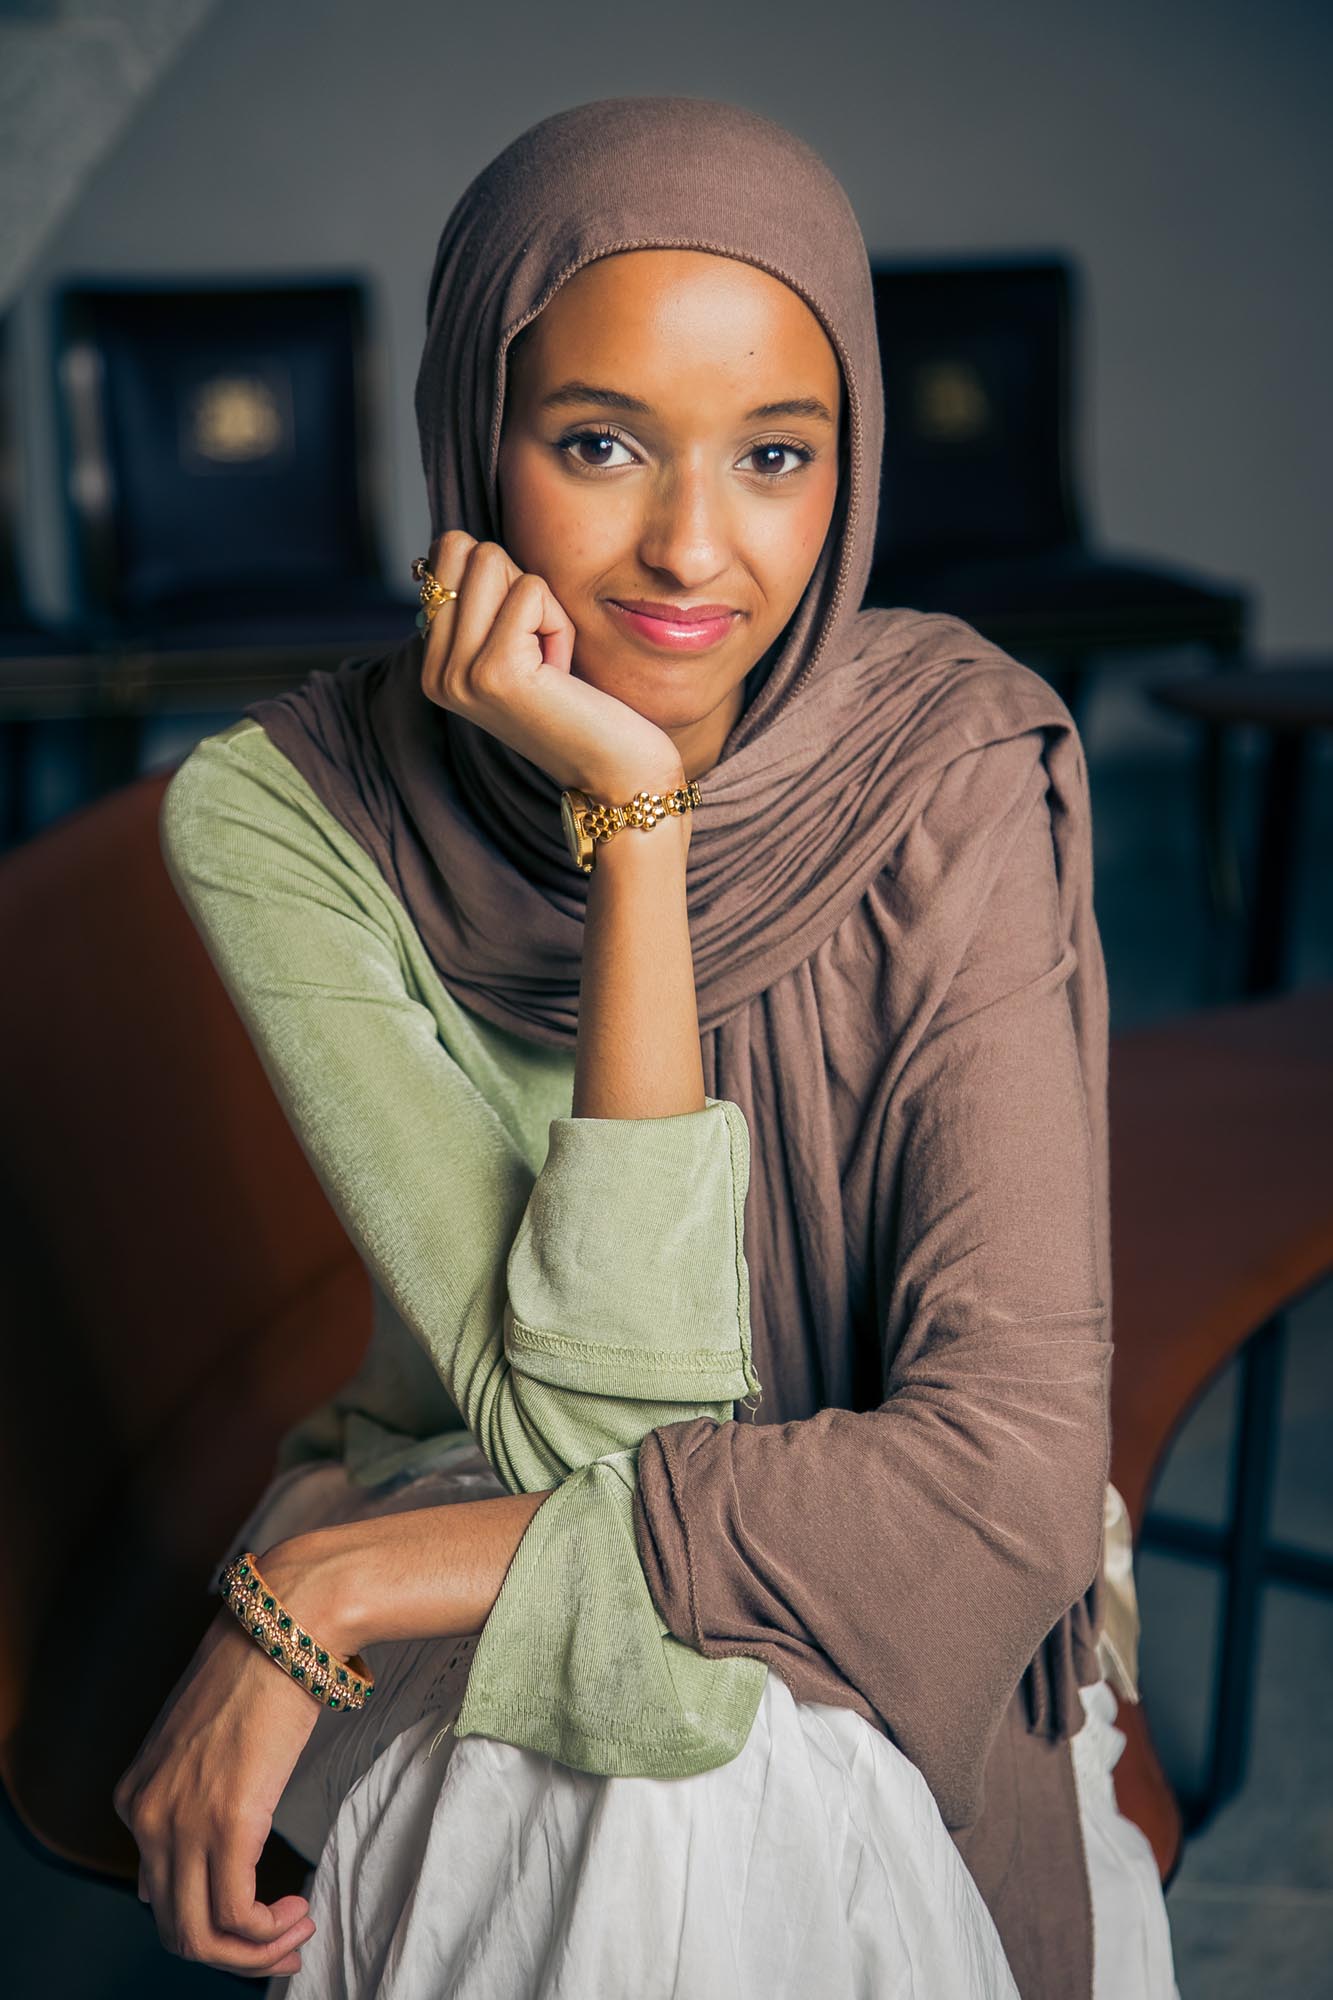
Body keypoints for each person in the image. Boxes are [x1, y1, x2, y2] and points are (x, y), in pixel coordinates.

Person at [113, 97, 1180, 1999]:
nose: (694, 547)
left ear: (845, 475)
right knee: (656, 1759)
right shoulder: (287, 815)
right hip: (480, 1492)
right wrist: (643, 830)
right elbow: (614, 1429)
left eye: (776, 455)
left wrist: (331, 1587)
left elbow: (1005, 1482)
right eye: (597, 443)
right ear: (474, 437)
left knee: (687, 1770)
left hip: (525, 1567)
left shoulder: (948, 760)